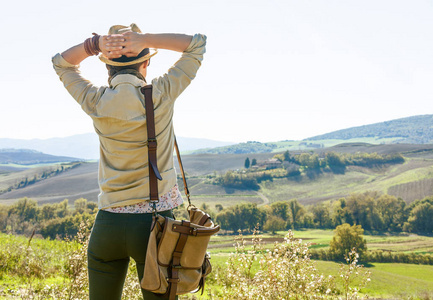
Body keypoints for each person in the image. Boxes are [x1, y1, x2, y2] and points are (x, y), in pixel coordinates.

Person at [52, 23, 206, 299]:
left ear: (107, 67)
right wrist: (144, 39)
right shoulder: (162, 93)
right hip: (155, 226)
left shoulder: (95, 100)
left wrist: (95, 44)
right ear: (145, 62)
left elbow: (62, 64)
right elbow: (196, 44)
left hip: (107, 226)